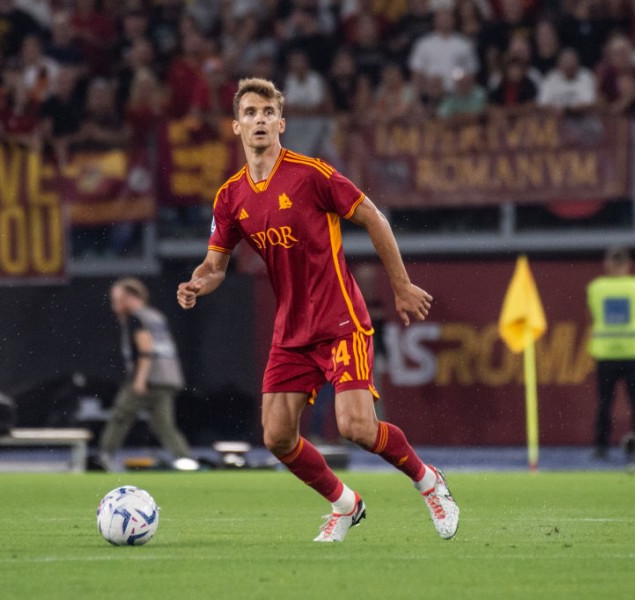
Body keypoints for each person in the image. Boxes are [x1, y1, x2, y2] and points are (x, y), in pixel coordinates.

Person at [177, 78, 459, 543]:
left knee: (355, 426)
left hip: (339, 318)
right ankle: (345, 504)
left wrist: (401, 284)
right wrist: (197, 284)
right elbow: (215, 264)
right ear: (236, 127)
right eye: (250, 113)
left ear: (282, 123)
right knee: (277, 437)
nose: (260, 119)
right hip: (291, 329)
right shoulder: (230, 196)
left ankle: (429, 482)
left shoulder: (312, 174)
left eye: (268, 112)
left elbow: (374, 217)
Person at [99, 278, 197, 472]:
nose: (114, 305)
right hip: (167, 377)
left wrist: (140, 379)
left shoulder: (137, 318)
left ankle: (104, 457)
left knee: (120, 415)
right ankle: (185, 460)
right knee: (164, 424)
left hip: (149, 378)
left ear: (129, 297)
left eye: (117, 299)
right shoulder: (155, 315)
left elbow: (146, 350)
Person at [586, 248, 635, 460]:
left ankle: (601, 447)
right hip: (634, 352)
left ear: (607, 264)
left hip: (606, 354)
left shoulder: (596, 288)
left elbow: (592, 313)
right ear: (628, 264)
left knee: (605, 402)